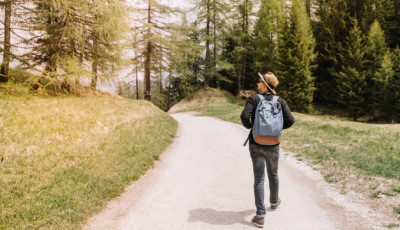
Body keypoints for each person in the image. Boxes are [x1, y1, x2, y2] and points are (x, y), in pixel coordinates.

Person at [240, 72, 294, 228]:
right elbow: (290, 120)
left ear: (264, 85)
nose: (257, 83)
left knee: (259, 179)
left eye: (259, 81)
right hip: (274, 144)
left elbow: (244, 116)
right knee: (273, 174)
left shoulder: (254, 99)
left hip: (256, 143)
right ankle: (274, 202)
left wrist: (252, 127)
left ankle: (260, 216)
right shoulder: (280, 101)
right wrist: (276, 129)